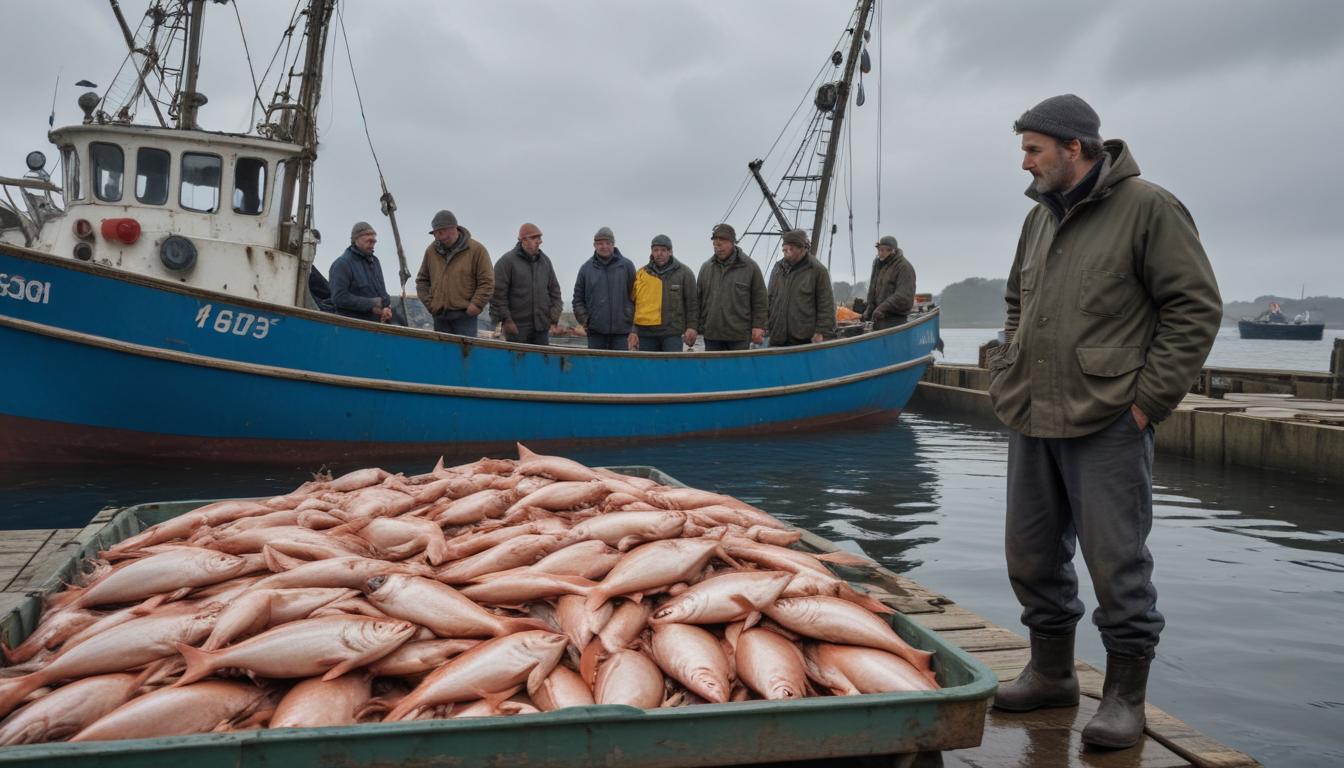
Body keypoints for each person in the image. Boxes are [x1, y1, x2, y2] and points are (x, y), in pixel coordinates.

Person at [987, 94, 1221, 750]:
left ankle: (1124, 698)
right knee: (1030, 556)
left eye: (1034, 149)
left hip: (1108, 419)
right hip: (1032, 413)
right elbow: (1015, 300)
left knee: (1117, 566)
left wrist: (1147, 403)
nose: (1024, 162)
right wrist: (1010, 366)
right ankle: (1053, 674)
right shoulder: (1037, 221)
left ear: (1075, 148)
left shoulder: (1149, 209)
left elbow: (1194, 308)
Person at [415, 209, 494, 337]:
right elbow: (422, 280)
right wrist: (431, 305)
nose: (439, 236)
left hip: (465, 317)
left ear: (455, 228)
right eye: (436, 233)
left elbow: (487, 281)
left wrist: (476, 305)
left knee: (464, 355)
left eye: (442, 231)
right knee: (442, 355)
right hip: (440, 317)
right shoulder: (431, 251)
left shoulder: (477, 250)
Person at [696, 224, 767, 351]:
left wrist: (759, 326)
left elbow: (760, 301)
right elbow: (697, 301)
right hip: (712, 335)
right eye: (715, 245)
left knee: (739, 371)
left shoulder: (750, 267)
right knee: (714, 371)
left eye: (722, 243)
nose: (718, 248)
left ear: (732, 242)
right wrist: (694, 327)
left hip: (739, 336)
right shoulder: (706, 268)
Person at [491, 223, 563, 345]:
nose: (539, 242)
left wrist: (553, 317)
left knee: (541, 363)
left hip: (541, 328)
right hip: (517, 329)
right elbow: (497, 295)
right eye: (535, 238)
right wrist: (506, 321)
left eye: (540, 238)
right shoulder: (506, 262)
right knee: (517, 363)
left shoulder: (545, 262)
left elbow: (555, 291)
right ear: (523, 240)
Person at [629, 234, 699, 352]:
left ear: (670, 252)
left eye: (663, 250)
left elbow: (692, 303)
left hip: (672, 334)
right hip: (646, 334)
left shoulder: (684, 273)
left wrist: (692, 327)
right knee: (648, 369)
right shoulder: (642, 274)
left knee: (672, 368)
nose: (659, 253)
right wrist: (633, 331)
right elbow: (635, 305)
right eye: (656, 250)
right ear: (651, 252)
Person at [766, 229, 835, 346]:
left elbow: (826, 305)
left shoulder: (817, 270)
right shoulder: (778, 268)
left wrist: (821, 332)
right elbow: (769, 298)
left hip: (803, 338)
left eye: (791, 249)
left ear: (802, 249)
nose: (786, 252)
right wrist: (763, 325)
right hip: (777, 336)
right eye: (784, 249)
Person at [572, 226, 636, 350]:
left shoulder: (627, 266)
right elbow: (578, 299)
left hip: (622, 332)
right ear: (594, 245)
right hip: (596, 332)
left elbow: (636, 297)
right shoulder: (586, 269)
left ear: (613, 244)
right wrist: (586, 321)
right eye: (600, 243)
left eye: (608, 243)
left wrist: (633, 325)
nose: (604, 246)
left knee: (620, 367)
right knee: (596, 368)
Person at [329, 221, 392, 323]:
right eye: (369, 241)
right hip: (352, 327)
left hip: (376, 325)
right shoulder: (342, 264)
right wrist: (372, 303)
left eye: (374, 242)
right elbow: (339, 297)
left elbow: (382, 293)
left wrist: (386, 307)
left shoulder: (375, 262)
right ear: (356, 239)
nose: (372, 244)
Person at [863, 235, 916, 329]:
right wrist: (870, 307)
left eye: (883, 250)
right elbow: (872, 288)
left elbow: (903, 295)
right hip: (879, 317)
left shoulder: (904, 267)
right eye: (879, 250)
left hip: (897, 318)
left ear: (892, 251)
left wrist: (882, 308)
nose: (880, 253)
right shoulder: (878, 265)